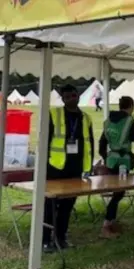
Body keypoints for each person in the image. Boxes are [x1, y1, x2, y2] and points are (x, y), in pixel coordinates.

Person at [43, 84, 94, 252]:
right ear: (63, 99)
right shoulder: (53, 114)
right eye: (67, 96)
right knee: (50, 206)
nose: (71, 98)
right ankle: (45, 240)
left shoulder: (85, 118)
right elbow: (44, 141)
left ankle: (61, 237)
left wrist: (89, 166)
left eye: (74, 95)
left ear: (78, 96)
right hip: (55, 167)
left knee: (67, 206)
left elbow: (90, 143)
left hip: (75, 168)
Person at [98, 96, 134, 239]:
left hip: (111, 161)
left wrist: (106, 157)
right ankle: (107, 222)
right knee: (119, 193)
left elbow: (102, 143)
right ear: (131, 106)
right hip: (124, 161)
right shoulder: (129, 121)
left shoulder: (108, 121)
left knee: (117, 192)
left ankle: (111, 221)